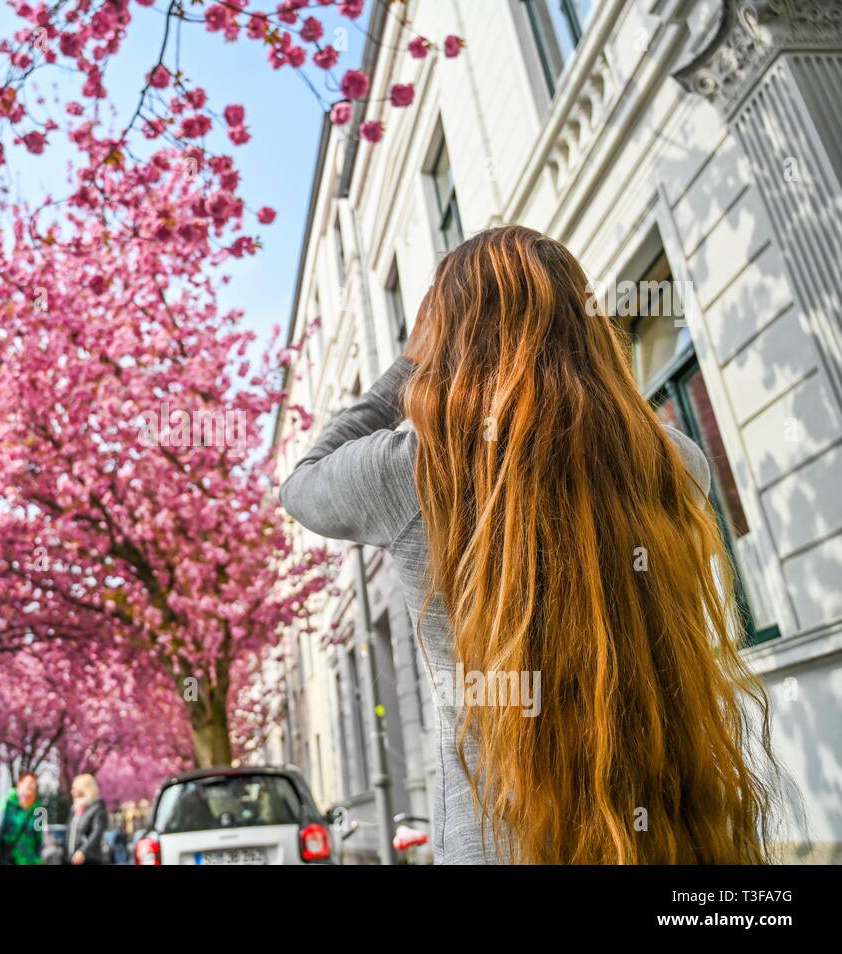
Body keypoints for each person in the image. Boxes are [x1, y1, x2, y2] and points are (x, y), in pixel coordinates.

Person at [280, 225, 778, 865]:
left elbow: (302, 484)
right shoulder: (676, 461)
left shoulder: (416, 472)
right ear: (587, 324)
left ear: (450, 342)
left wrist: (405, 371)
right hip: (676, 831)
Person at [0, 771, 43, 865]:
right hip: (9, 859)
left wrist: (38, 858)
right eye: (29, 783)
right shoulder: (8, 803)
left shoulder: (38, 810)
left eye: (34, 784)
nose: (32, 787)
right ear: (19, 784)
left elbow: (38, 838)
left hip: (29, 860)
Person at [66, 774, 108, 865]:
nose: (72, 792)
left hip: (88, 858)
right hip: (72, 858)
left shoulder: (97, 808)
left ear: (85, 788)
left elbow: (97, 833)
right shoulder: (74, 809)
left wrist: (83, 851)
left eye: (75, 788)